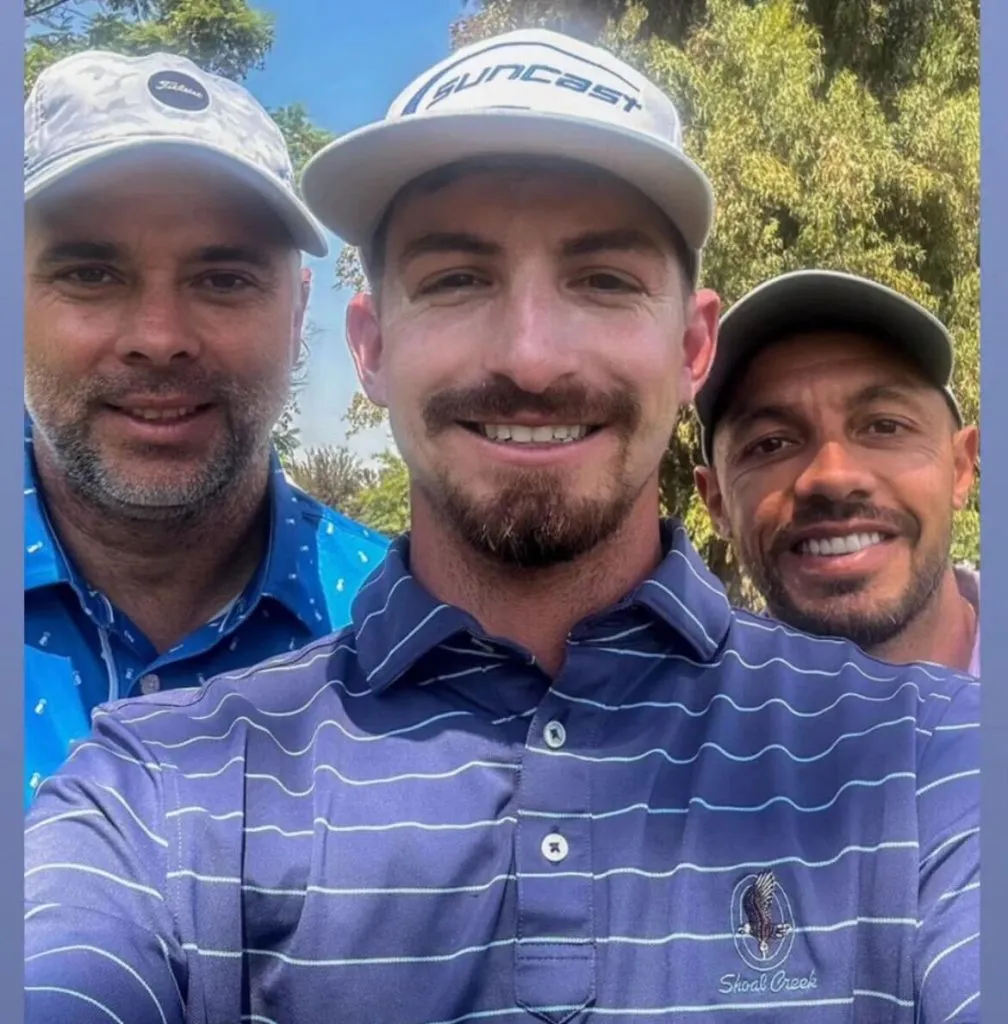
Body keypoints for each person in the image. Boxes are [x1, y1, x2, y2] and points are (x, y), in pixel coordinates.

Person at [24, 29, 978, 1024]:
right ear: (373, 344)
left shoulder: (926, 758)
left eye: (603, 279)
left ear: (692, 346)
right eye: (458, 279)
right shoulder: (162, 783)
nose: (531, 358)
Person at [23, 50, 388, 808]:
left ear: (296, 314)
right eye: (91, 273)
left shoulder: (405, 630)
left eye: (223, 280)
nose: (159, 337)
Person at [694, 270, 980, 673]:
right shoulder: (686, 727)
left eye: (885, 426)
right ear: (717, 501)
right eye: (771, 444)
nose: (833, 477)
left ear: (961, 467)